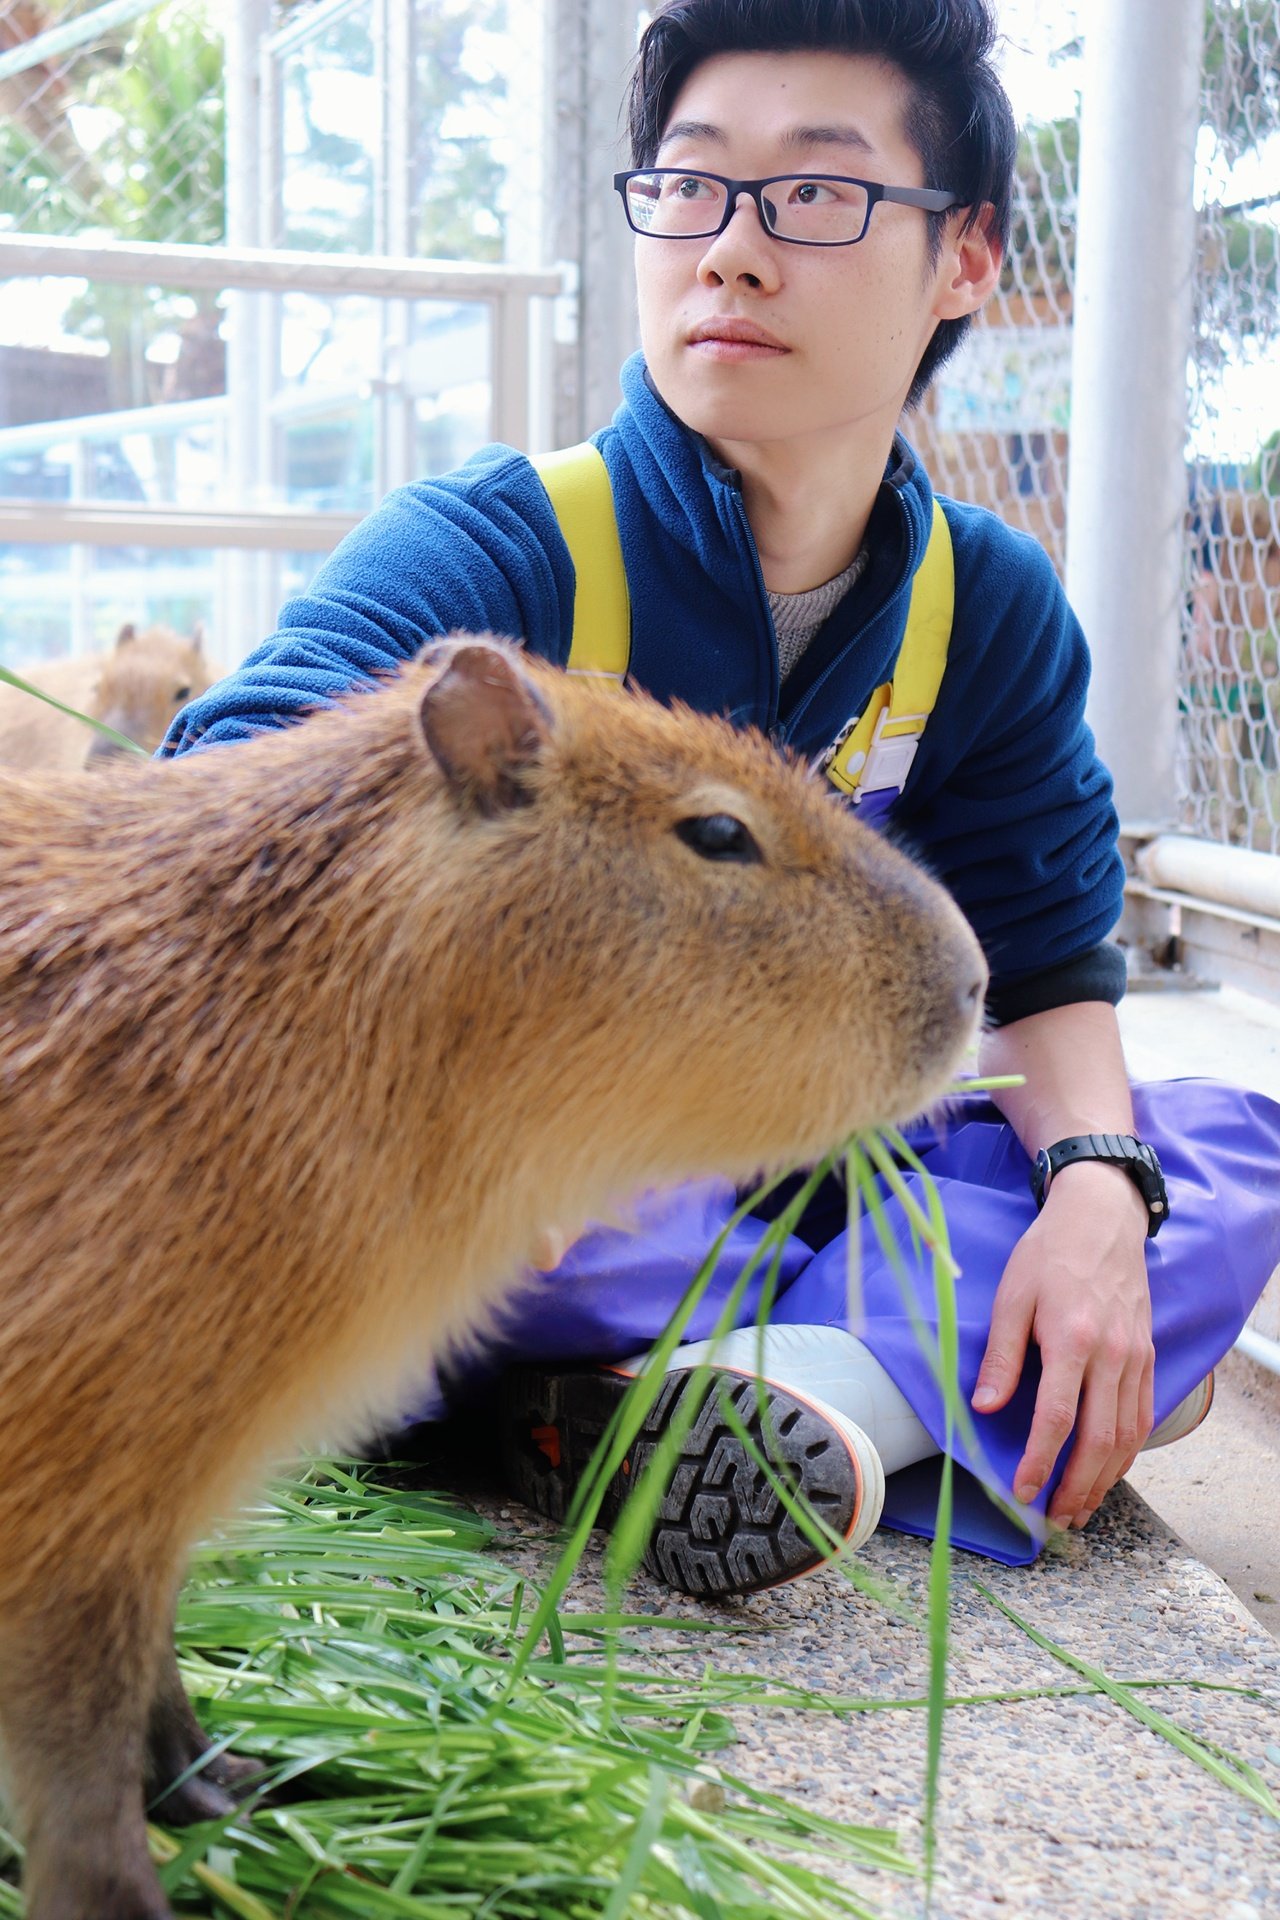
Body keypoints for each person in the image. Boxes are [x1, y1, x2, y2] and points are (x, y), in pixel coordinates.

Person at [165, 0, 1280, 1595]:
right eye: (691, 186)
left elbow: (1047, 972)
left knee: (1220, 1167)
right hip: (545, 1205)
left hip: (803, 1175)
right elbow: (234, 812)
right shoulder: (507, 544)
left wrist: (1100, 1195)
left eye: (816, 196)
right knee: (627, 1233)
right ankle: (854, 1383)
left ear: (965, 258)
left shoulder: (988, 607)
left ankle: (748, 1405)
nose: (734, 252)